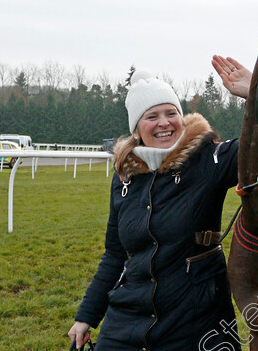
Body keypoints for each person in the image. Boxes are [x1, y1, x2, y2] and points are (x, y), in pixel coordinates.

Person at [68, 70, 241, 350]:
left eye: (171, 113)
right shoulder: (124, 176)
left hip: (196, 318)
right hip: (127, 316)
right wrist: (86, 316)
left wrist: (251, 92)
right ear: (136, 129)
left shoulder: (209, 158)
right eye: (152, 116)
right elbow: (115, 254)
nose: (164, 123)